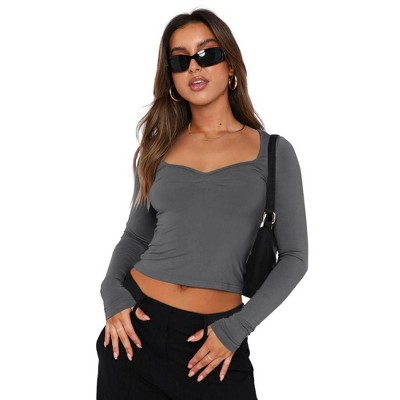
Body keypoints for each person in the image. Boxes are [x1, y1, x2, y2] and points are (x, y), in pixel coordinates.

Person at [96, 8, 308, 400]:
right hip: (135, 331)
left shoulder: (273, 152)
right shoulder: (157, 147)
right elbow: (135, 237)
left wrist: (237, 328)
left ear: (231, 66)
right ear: (173, 79)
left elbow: (295, 257)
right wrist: (111, 290)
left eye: (207, 53)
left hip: (215, 341)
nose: (194, 65)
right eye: (180, 59)